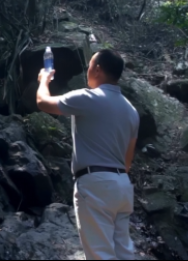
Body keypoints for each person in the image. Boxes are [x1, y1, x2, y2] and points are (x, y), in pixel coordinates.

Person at [36, 49, 139, 260]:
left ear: (98, 69)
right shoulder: (132, 111)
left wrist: (44, 81)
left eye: (90, 65)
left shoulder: (88, 97)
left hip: (95, 184)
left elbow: (43, 102)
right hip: (122, 186)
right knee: (122, 253)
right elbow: (127, 162)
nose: (88, 70)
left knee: (99, 254)